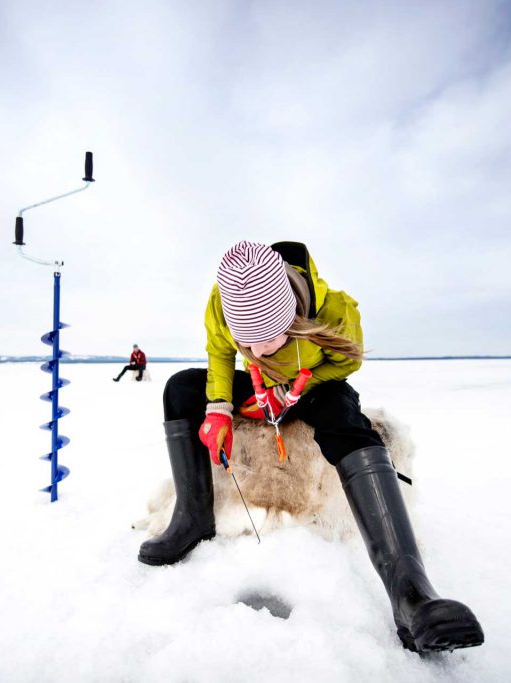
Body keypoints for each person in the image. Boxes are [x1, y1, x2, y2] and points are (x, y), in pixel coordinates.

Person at [137, 240, 484, 654]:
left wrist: (295, 390)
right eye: (249, 344)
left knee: (343, 417)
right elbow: (218, 356)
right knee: (179, 389)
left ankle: (411, 593)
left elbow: (346, 362)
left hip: (315, 382)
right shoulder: (220, 303)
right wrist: (218, 409)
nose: (261, 352)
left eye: (271, 340)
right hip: (258, 387)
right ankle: (193, 518)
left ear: (295, 318)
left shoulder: (335, 311)